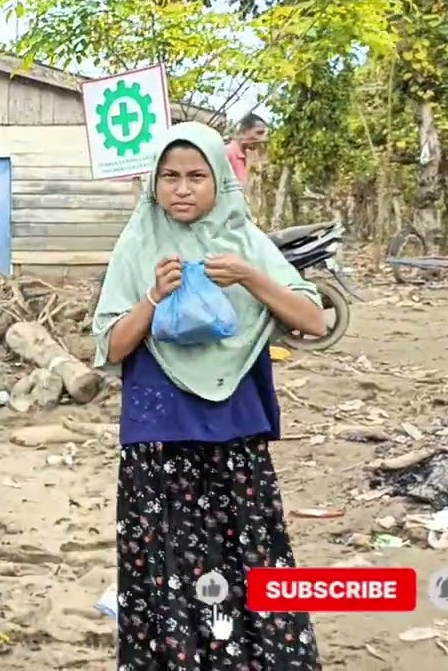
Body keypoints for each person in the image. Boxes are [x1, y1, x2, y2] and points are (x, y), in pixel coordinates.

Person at [91, 122, 325, 670]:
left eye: (197, 176)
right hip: (161, 435)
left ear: (220, 180)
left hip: (234, 432)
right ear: (154, 184)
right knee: (168, 559)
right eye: (170, 177)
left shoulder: (244, 240)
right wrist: (153, 297)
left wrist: (249, 278)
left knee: (248, 551)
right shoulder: (138, 242)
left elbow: (311, 318)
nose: (182, 188)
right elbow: (109, 345)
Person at [224, 112, 268, 185]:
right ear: (243, 131)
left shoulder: (245, 156)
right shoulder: (227, 153)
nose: (264, 139)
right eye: (259, 133)